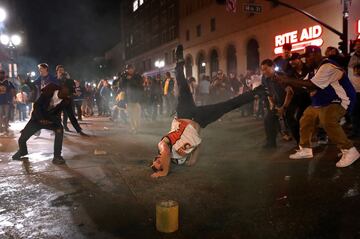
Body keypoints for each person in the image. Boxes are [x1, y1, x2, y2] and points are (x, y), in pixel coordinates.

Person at [149, 45, 265, 178]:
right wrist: (194, 158)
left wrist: (163, 172)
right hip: (200, 119)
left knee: (183, 85)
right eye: (160, 164)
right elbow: (196, 143)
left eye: (157, 160)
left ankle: (179, 61)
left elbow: (165, 153)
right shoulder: (179, 159)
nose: (160, 160)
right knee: (228, 106)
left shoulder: (163, 145)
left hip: (184, 113)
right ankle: (257, 92)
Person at [280, 46, 359, 168]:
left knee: (327, 119)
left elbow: (311, 84)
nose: (306, 60)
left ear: (317, 53)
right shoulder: (314, 69)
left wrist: (286, 79)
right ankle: (305, 149)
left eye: (308, 56)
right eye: (305, 57)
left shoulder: (327, 66)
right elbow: (303, 84)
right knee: (306, 118)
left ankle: (350, 150)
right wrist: (286, 82)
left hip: (341, 100)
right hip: (324, 102)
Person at [12, 83, 88, 164]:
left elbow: (71, 116)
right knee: (22, 139)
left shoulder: (67, 101)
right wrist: (40, 119)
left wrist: (79, 130)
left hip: (52, 120)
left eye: (71, 93)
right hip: (37, 119)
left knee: (59, 130)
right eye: (69, 91)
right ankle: (22, 151)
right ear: (64, 88)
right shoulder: (49, 91)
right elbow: (37, 105)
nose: (69, 95)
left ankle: (57, 156)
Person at [261, 59, 288, 148]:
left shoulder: (281, 76)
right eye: (262, 70)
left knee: (292, 121)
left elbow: (290, 92)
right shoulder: (265, 79)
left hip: (289, 102)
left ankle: (301, 144)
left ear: (272, 67)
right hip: (277, 102)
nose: (264, 72)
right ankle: (271, 142)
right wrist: (273, 106)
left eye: (266, 69)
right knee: (268, 119)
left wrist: (284, 107)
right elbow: (269, 93)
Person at [123, 65, 143, 133]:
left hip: (136, 99)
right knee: (130, 115)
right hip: (128, 99)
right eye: (128, 69)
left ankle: (137, 128)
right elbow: (121, 86)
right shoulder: (125, 76)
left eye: (130, 69)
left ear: (133, 69)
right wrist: (123, 78)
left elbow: (139, 85)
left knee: (136, 115)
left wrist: (131, 79)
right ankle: (133, 128)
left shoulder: (137, 76)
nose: (129, 70)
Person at [350, 64, 360, 138]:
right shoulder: (351, 78)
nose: (356, 71)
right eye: (355, 70)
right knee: (354, 115)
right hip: (354, 96)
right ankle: (354, 131)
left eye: (357, 70)